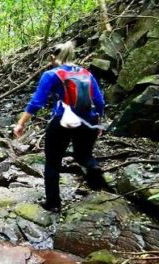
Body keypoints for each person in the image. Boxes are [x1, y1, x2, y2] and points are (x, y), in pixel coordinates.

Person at [13, 41, 107, 212]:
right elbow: (99, 101)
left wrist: (21, 123)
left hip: (63, 120)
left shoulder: (51, 74)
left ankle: (53, 204)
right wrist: (98, 123)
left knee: (52, 163)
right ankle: (93, 169)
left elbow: (36, 102)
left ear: (52, 57)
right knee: (84, 155)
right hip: (88, 121)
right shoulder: (86, 73)